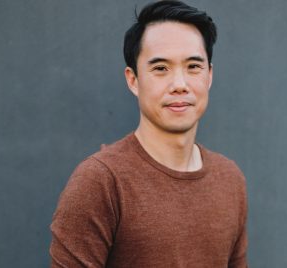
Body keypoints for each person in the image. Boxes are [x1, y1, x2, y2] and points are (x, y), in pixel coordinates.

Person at [49, 1, 248, 267]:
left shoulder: (230, 179)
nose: (180, 84)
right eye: (161, 68)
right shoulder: (100, 182)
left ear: (209, 76)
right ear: (133, 80)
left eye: (193, 67)